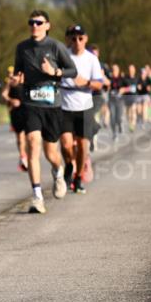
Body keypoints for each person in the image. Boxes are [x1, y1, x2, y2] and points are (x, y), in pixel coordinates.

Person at [11, 10, 77, 214]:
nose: (35, 25)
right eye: (31, 22)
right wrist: (17, 80)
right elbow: (18, 72)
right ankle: (37, 196)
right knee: (32, 145)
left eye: (39, 22)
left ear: (47, 25)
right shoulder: (22, 47)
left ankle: (59, 170)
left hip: (52, 105)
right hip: (31, 103)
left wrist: (54, 72)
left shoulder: (55, 46)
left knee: (51, 153)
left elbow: (72, 71)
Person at [58, 24, 104, 195]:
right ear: (69, 39)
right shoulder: (63, 56)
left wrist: (85, 82)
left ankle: (78, 177)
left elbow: (99, 83)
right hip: (65, 105)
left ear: (86, 39)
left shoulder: (91, 59)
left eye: (80, 38)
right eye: (73, 38)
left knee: (83, 146)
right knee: (66, 144)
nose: (77, 41)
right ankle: (69, 165)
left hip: (84, 106)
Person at [1, 66, 29, 172]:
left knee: (28, 138)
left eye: (14, 73)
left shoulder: (26, 82)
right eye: (10, 73)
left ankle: (26, 156)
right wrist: (11, 100)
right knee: (20, 138)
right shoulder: (10, 83)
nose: (12, 75)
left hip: (28, 112)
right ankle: (23, 157)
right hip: (16, 112)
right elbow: (4, 95)